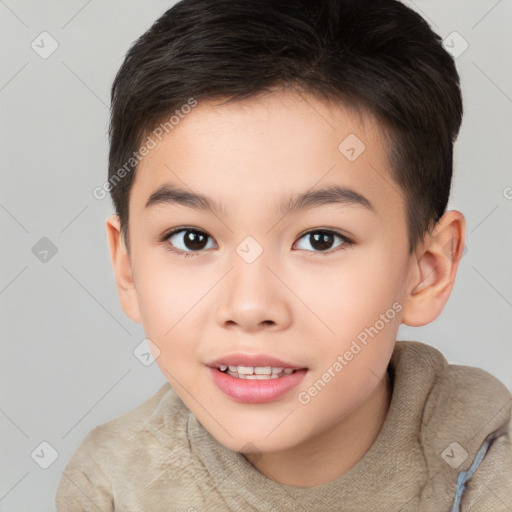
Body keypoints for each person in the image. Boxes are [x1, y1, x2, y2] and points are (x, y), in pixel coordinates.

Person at [56, 0, 512, 510]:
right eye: (192, 238)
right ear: (128, 268)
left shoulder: (487, 471)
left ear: (428, 270)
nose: (250, 306)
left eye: (321, 239)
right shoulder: (113, 486)